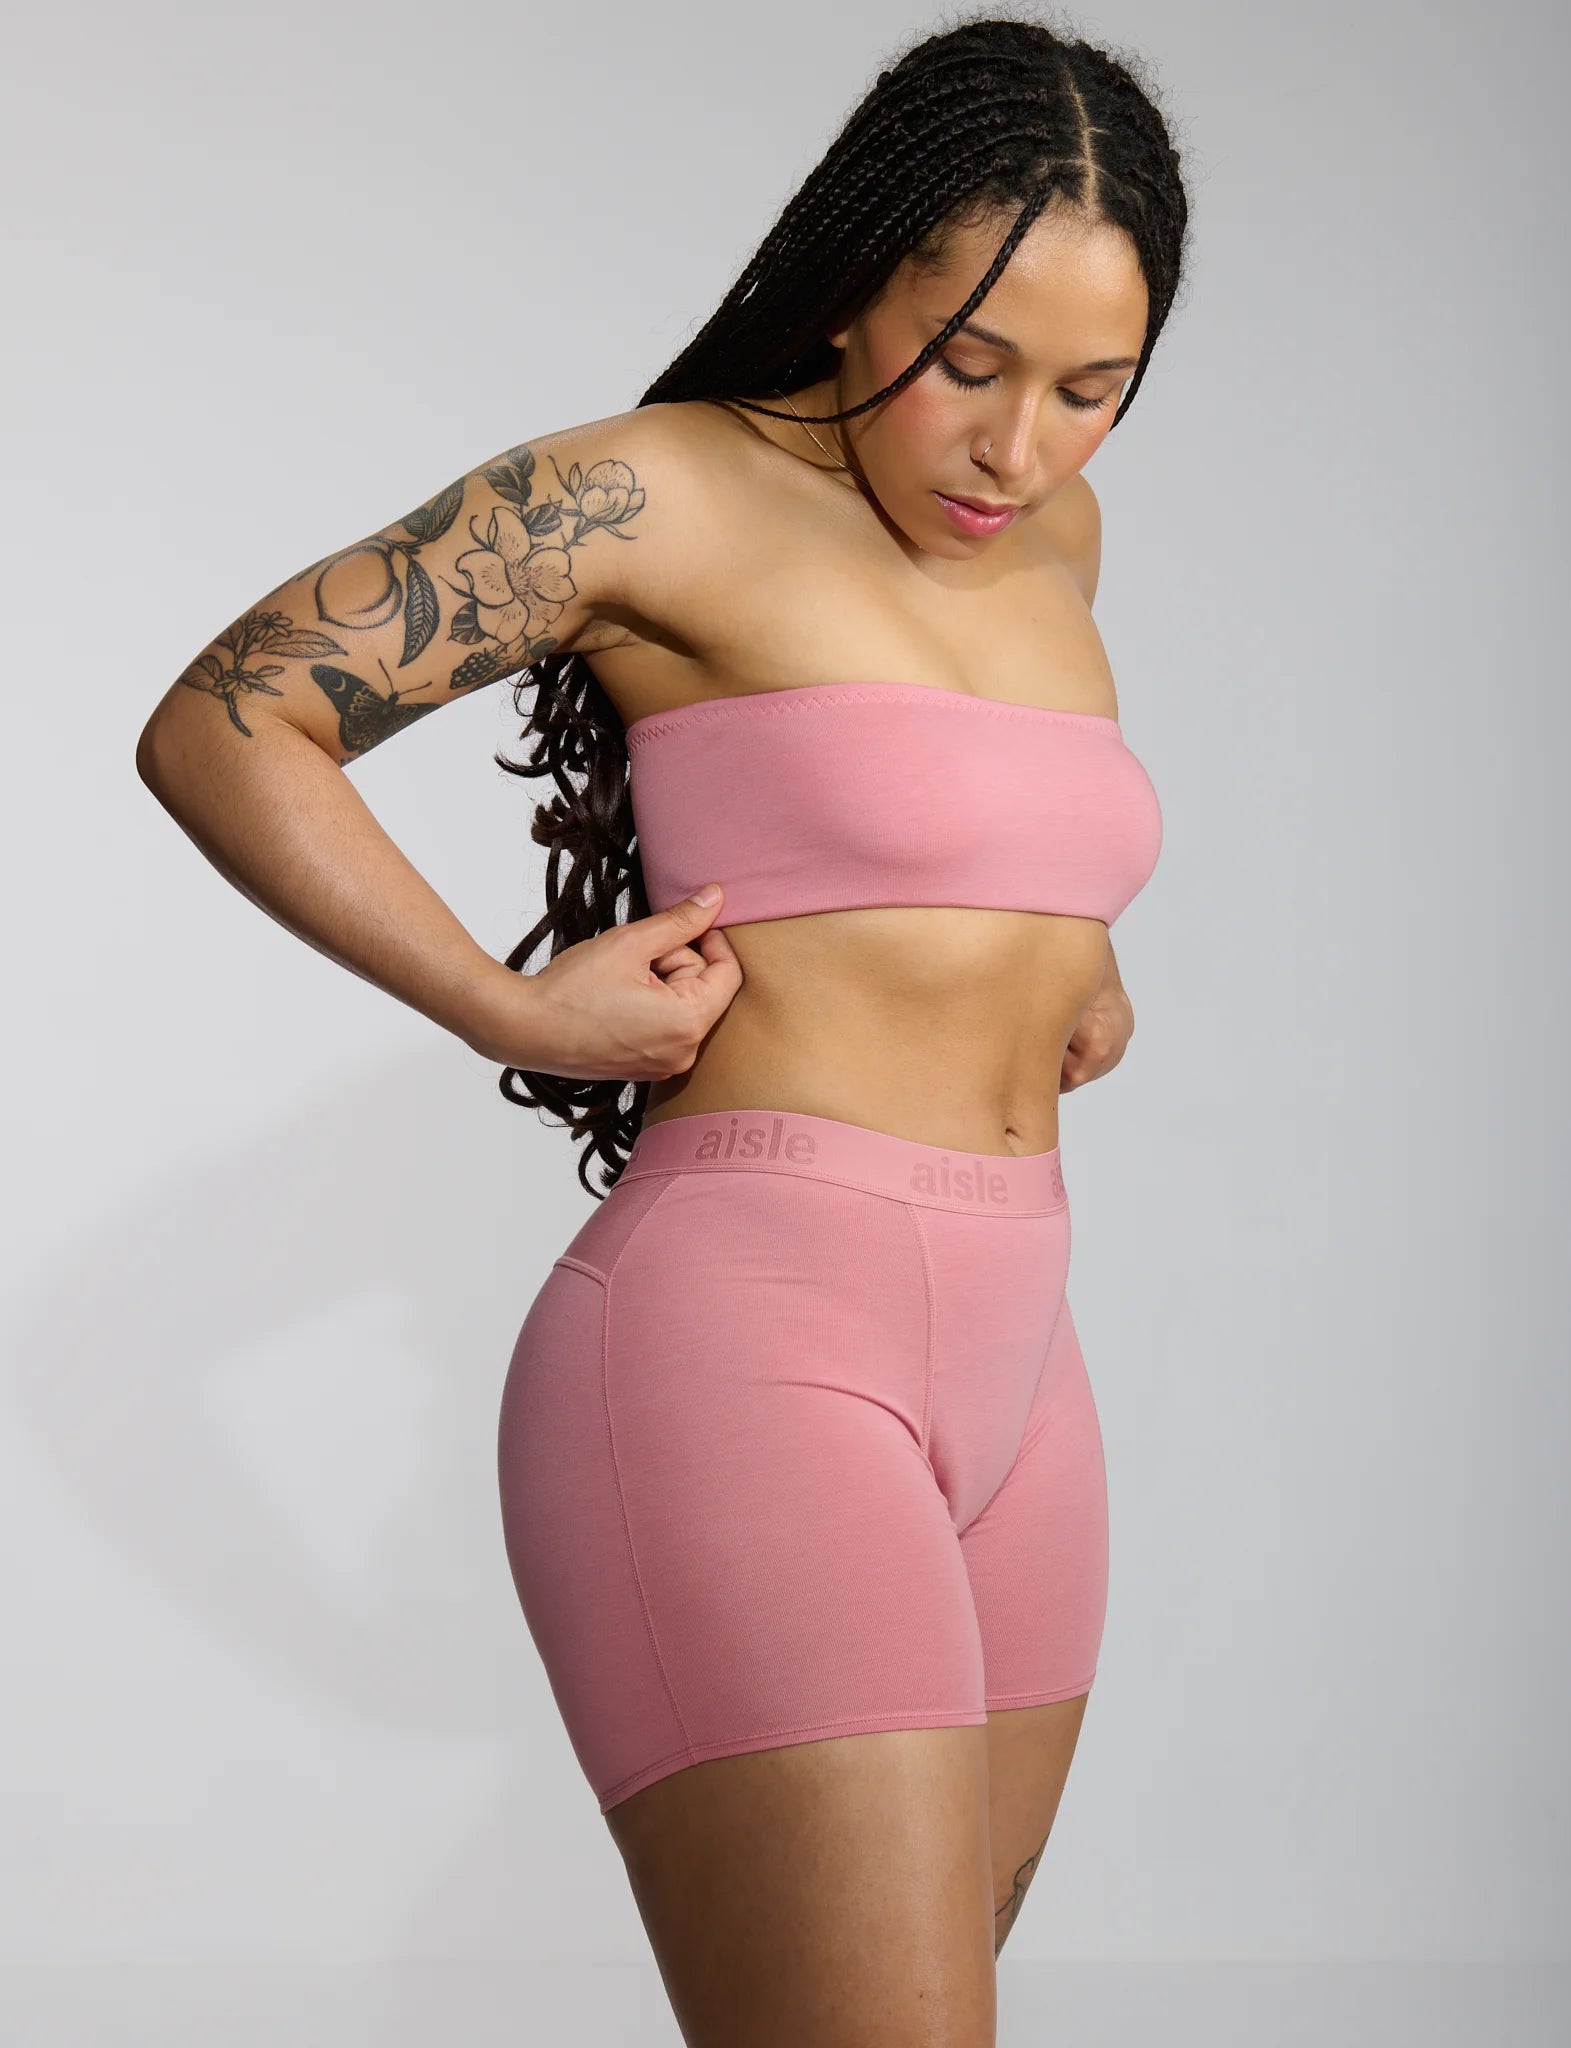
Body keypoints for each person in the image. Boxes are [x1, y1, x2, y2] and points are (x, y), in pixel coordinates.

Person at [136, 14, 1189, 2044]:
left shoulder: (1054, 537)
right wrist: (505, 1003)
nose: (1018, 450)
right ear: (852, 282)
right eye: (967, 362)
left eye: (1091, 389)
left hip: (1021, 1367)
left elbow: (945, 815)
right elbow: (225, 718)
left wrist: (1069, 959)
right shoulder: (652, 491)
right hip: (752, 1346)